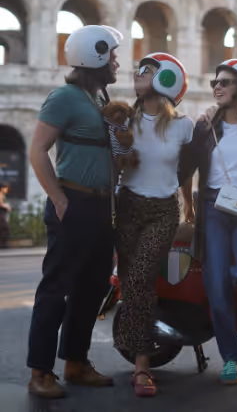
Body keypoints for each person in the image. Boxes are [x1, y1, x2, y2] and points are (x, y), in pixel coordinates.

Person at [27, 25, 122, 399]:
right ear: (94, 57)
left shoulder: (99, 98)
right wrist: (59, 199)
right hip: (75, 203)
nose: (116, 61)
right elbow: (38, 151)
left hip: (101, 206)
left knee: (94, 287)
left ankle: (76, 362)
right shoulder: (64, 98)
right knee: (57, 288)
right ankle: (40, 371)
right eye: (111, 54)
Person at [179, 59, 237, 386]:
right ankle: (231, 357)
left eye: (226, 82)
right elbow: (184, 169)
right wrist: (188, 204)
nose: (217, 86)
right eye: (215, 82)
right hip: (213, 208)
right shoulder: (204, 126)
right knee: (214, 286)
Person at [114, 52, 193, 398]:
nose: (137, 73)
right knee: (133, 281)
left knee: (143, 276)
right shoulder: (123, 121)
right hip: (128, 205)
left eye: (147, 70)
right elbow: (114, 162)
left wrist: (189, 204)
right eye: (139, 69)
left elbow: (187, 169)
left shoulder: (184, 126)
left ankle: (142, 365)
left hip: (163, 210)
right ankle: (140, 356)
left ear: (167, 80)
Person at [0, 184, 11, 248]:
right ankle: (2, 244)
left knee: (3, 229)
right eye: (5, 188)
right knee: (4, 228)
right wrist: (7, 207)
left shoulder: (2, 195)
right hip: (1, 214)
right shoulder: (0, 194)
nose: (7, 190)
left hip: (2, 214)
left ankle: (3, 244)